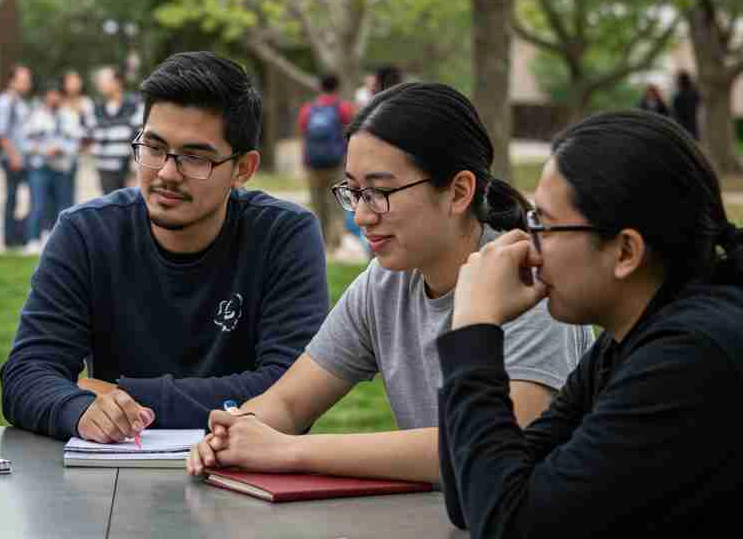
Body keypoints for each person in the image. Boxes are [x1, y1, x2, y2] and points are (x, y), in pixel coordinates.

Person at [186, 82, 592, 483]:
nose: (361, 216)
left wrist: (288, 451)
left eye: (379, 192)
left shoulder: (528, 287)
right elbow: (290, 402)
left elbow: (492, 448)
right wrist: (237, 432)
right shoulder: (386, 281)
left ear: (459, 191)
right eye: (355, 192)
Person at [438, 110, 743, 535]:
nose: (531, 246)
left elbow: (509, 526)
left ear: (625, 253)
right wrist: (467, 331)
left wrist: (475, 331)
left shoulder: (690, 356)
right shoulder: (629, 339)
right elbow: (473, 501)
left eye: (543, 224)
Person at [0, 51, 329, 442]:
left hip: (249, 477)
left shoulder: (283, 235)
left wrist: (124, 395)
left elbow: (291, 393)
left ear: (243, 169)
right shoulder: (86, 232)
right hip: (115, 477)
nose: (167, 174)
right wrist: (80, 409)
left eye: (194, 157)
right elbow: (26, 375)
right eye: (153, 148)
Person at [297, 72, 356, 254]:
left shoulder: (308, 109)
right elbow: (352, 132)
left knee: (318, 203)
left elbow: (303, 135)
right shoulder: (343, 108)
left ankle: (320, 243)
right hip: (336, 163)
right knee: (336, 203)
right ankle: (334, 244)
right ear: (337, 87)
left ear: (320, 87)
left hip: (313, 164)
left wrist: (304, 159)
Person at [21, 83, 84, 251]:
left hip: (63, 166)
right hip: (40, 166)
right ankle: (33, 239)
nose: (53, 98)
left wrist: (62, 149)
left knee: (64, 206)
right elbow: (24, 143)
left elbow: (78, 142)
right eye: (50, 94)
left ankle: (62, 241)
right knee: (38, 204)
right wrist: (42, 150)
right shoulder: (35, 116)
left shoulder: (70, 116)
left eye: (57, 94)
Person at [0, 65, 35, 250]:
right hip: (12, 158)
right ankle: (9, 238)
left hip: (23, 158)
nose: (27, 84)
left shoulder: (20, 102)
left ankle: (19, 235)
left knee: (27, 197)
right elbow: (1, 134)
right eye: (23, 80)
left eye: (28, 80)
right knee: (12, 198)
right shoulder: (5, 102)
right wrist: (14, 156)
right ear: (12, 81)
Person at [91, 65, 143, 195]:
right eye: (99, 81)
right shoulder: (97, 108)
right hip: (104, 169)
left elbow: (140, 137)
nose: (100, 85)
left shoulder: (134, 105)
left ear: (118, 82)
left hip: (127, 171)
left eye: (104, 81)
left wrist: (134, 167)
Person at [59, 70, 97, 204]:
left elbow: (92, 127)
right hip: (60, 154)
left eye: (76, 80)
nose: (73, 84)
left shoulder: (86, 103)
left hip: (81, 152)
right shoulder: (59, 102)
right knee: (61, 192)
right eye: (70, 81)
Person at [672, 70, 701, 140]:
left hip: (682, 125)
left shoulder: (678, 96)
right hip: (692, 124)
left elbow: (675, 112)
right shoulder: (694, 93)